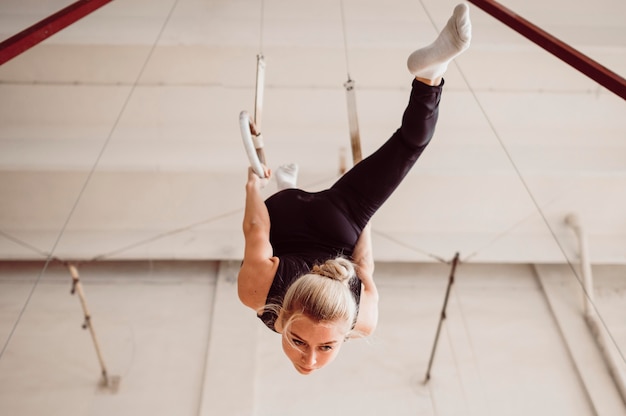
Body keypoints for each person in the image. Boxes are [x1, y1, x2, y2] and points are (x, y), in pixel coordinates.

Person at [238, 3, 472, 375]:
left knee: (410, 147)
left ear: (286, 317)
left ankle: (430, 79)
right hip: (298, 214)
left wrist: (361, 209)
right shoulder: (259, 294)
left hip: (327, 223)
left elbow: (360, 263)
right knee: (399, 157)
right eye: (325, 346)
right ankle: (431, 70)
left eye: (298, 340)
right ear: (343, 332)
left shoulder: (361, 316)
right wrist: (254, 187)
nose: (310, 358)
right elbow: (256, 230)